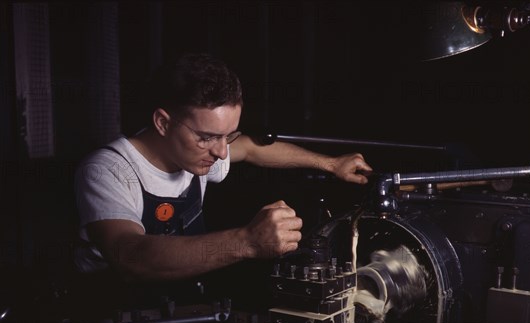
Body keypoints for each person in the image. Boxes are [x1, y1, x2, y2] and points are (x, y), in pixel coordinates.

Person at [73, 52, 371, 308]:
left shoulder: (197, 154)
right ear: (163, 122)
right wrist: (247, 242)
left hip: (181, 307)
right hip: (111, 319)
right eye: (207, 137)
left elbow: (253, 148)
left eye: (228, 136)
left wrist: (331, 164)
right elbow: (130, 257)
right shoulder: (108, 170)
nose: (220, 151)